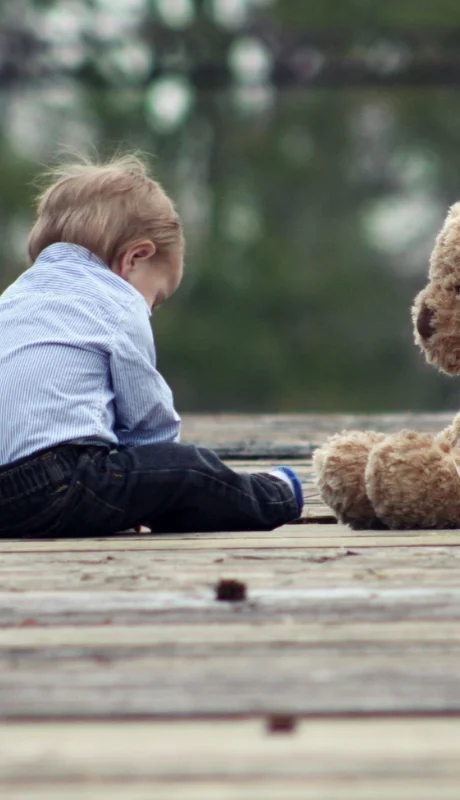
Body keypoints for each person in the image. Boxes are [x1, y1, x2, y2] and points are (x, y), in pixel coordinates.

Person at [0, 154, 303, 537]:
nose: (150, 310)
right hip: (61, 484)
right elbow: (148, 423)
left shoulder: (11, 300)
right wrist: (156, 475)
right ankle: (276, 494)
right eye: (156, 298)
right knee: (189, 470)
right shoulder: (117, 300)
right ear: (135, 258)